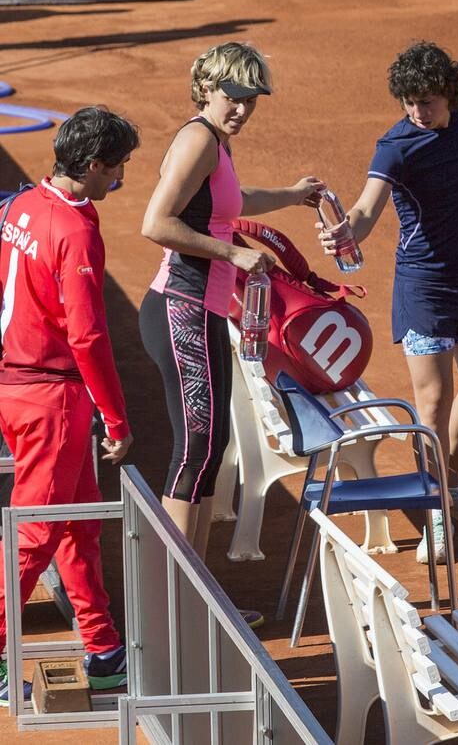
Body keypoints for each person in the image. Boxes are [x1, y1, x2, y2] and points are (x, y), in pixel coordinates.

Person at [319, 41, 458, 564]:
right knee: (432, 403)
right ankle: (435, 507)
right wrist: (349, 232)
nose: (417, 112)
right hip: (424, 286)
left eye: (427, 101)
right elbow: (368, 207)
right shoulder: (396, 146)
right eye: (409, 102)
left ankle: (450, 485)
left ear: (451, 95)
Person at [139, 42, 322, 624]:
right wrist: (232, 256)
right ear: (208, 89)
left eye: (251, 100)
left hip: (199, 310)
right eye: (233, 97)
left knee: (209, 448)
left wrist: (291, 196)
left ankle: (195, 595)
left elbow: (230, 203)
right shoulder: (197, 139)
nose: (242, 108)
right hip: (179, 309)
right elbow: (156, 223)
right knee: (196, 450)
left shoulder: (216, 142)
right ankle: (177, 604)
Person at [0, 106, 139, 702]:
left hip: (19, 389)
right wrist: (116, 417)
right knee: (34, 534)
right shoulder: (76, 229)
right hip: (51, 401)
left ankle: (103, 649)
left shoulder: (23, 204)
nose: (121, 181)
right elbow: (88, 335)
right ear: (90, 165)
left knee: (79, 524)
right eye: (116, 169)